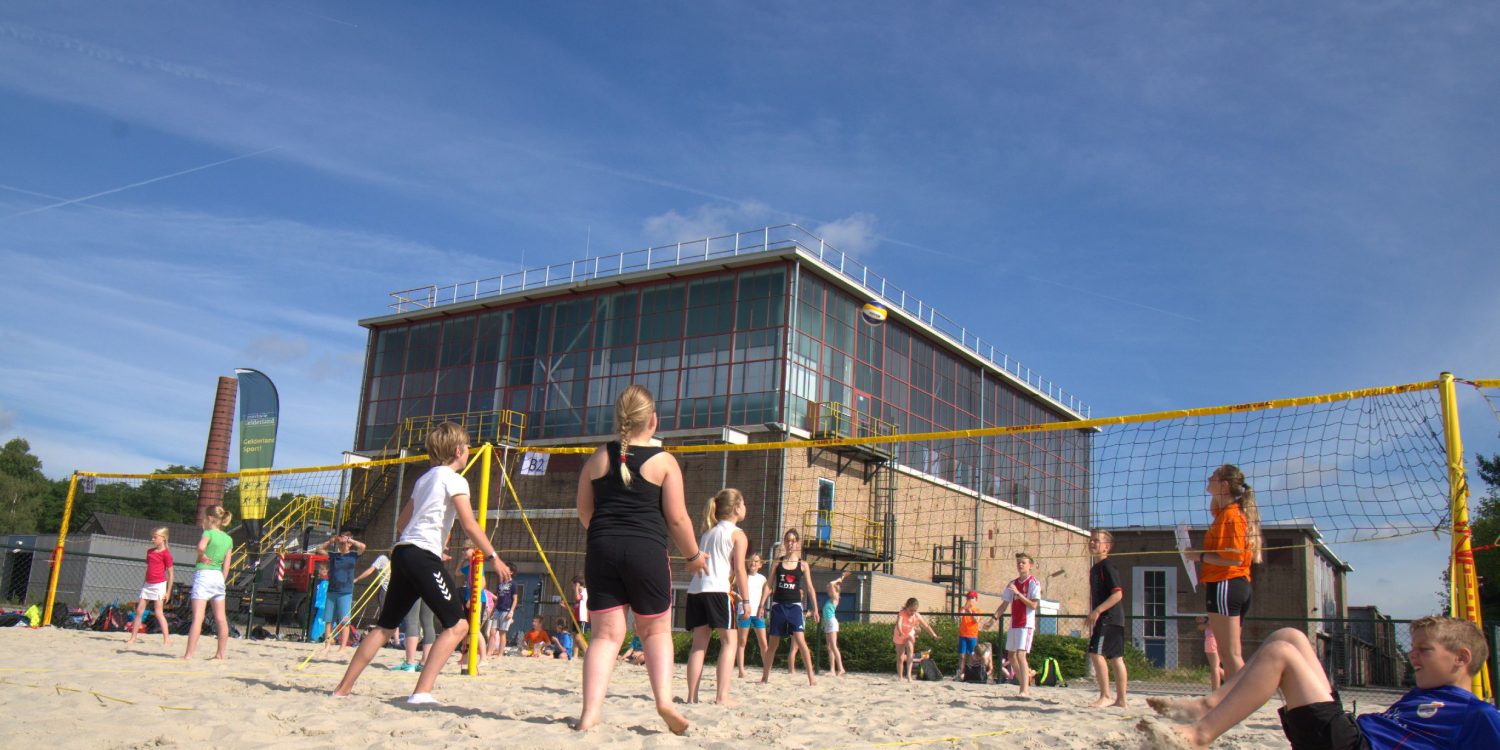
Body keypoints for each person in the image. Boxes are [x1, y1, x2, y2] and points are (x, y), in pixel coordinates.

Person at [332, 421, 513, 704]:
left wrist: (427, 545)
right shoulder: (455, 480)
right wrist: (494, 556)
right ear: (458, 451)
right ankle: (421, 692)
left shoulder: (425, 478)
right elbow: (469, 524)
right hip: (420, 555)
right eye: (467, 448)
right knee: (459, 626)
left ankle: (341, 689)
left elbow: (403, 523)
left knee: (385, 627)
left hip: (403, 553)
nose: (468, 453)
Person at [1138, 617, 1500, 750]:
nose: (1412, 657)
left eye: (1424, 650)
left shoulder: (1477, 713)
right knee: (1290, 635)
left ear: (1461, 659)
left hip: (1353, 746)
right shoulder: (1423, 695)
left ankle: (1201, 736)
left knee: (1281, 652)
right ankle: (1208, 705)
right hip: (1349, 734)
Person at [574, 384, 709, 734]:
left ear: (620, 418)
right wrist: (693, 556)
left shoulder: (597, 458)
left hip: (601, 549)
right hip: (645, 550)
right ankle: (664, 702)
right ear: (652, 420)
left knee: (604, 637)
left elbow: (584, 511)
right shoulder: (663, 461)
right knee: (655, 630)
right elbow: (678, 519)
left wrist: (608, 534)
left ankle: (589, 714)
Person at [1183, 464, 1262, 681]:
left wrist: (1198, 556)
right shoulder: (1223, 512)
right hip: (1231, 584)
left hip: (1227, 583)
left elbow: (1234, 557)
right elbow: (1214, 505)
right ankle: (1233, 699)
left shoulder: (1232, 517)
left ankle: (1238, 701)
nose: (1208, 479)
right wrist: (1219, 490)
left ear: (1225, 485)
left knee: (1230, 654)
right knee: (1229, 653)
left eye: (1213, 477)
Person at [685, 488, 749, 704]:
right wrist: (747, 601)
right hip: (718, 592)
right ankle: (722, 697)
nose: (745, 508)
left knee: (698, 645)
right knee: (729, 642)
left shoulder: (707, 533)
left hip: (696, 590)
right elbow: (740, 570)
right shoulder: (737, 534)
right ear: (737, 507)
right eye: (744, 503)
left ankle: (691, 697)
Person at [759, 528, 819, 686]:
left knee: (801, 641)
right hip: (778, 606)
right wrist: (761, 605)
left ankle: (811, 678)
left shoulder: (803, 565)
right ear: (784, 542)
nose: (790, 543)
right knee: (773, 644)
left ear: (797, 543)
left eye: (793, 541)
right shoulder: (777, 563)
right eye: (787, 540)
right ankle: (764, 678)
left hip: (794, 607)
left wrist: (816, 609)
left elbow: (811, 588)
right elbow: (768, 586)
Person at [984, 551, 1041, 696]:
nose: (1020, 565)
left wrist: (1019, 594)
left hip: (1026, 624)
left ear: (1030, 566)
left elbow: (1033, 605)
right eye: (1019, 563)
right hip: (1014, 624)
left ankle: (1024, 689)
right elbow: (1004, 605)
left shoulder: (1034, 583)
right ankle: (1024, 681)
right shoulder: (1013, 583)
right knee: (1011, 656)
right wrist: (992, 619)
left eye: (1023, 563)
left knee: (1021, 655)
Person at [181, 506, 233, 660]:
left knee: (198, 617)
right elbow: (227, 564)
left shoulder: (208, 533)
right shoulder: (228, 539)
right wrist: (222, 580)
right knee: (221, 618)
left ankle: (189, 655)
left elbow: (200, 547)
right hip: (218, 576)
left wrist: (202, 555)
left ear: (210, 518)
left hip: (204, 573)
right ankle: (220, 654)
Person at [1085, 529, 1128, 708]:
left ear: (1106, 547)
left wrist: (1097, 611)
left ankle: (1105, 696)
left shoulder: (1107, 567)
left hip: (1109, 617)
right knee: (1116, 657)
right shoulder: (1095, 568)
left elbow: (1117, 595)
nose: (1092, 543)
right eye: (1091, 540)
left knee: (1096, 653)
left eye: (1097, 541)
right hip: (1113, 618)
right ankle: (1121, 700)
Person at [316, 529, 367, 651]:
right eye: (340, 544)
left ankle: (342, 647)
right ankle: (327, 645)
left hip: (345, 592)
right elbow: (319, 549)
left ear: (349, 544)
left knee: (344, 621)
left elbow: (363, 547)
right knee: (329, 620)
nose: (341, 545)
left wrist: (349, 539)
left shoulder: (353, 555)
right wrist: (331, 541)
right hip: (332, 591)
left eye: (343, 543)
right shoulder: (334, 556)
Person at [126, 527, 173, 646]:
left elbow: (171, 574)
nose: (152, 539)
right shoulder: (150, 552)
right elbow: (149, 569)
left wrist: (168, 592)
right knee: (139, 611)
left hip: (159, 585)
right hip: (147, 584)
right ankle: (133, 637)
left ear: (163, 538)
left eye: (155, 537)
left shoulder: (166, 554)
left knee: (158, 612)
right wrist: (144, 584)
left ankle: (167, 639)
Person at [735, 551, 769, 679]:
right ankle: (741, 670)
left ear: (760, 564)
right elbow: (731, 587)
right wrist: (739, 597)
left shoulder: (762, 578)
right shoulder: (743, 576)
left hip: (757, 613)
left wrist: (762, 605)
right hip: (744, 612)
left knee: (763, 642)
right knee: (742, 641)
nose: (753, 563)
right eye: (751, 560)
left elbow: (768, 590)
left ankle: (766, 668)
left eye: (756, 561)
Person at [892, 597, 939, 682]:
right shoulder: (902, 613)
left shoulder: (917, 615)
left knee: (910, 649)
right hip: (899, 634)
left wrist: (933, 634)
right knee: (900, 657)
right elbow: (899, 623)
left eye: (914, 611)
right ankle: (900, 676)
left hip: (909, 633)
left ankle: (909, 676)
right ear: (907, 607)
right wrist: (900, 631)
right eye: (911, 610)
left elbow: (926, 626)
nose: (912, 613)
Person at [822, 571, 850, 677]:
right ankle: (832, 670)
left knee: (833, 646)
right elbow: (829, 585)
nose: (828, 591)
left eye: (830, 590)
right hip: (827, 623)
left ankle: (841, 668)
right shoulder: (830, 599)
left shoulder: (835, 598)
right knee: (829, 647)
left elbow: (830, 583)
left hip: (832, 623)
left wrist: (839, 580)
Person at [955, 590, 982, 680]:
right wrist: (965, 608)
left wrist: (970, 611)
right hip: (963, 635)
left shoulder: (978, 610)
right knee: (962, 656)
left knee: (971, 655)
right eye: (969, 597)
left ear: (976, 599)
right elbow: (960, 615)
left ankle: (969, 673)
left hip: (972, 635)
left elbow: (976, 620)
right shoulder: (963, 608)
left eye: (972, 598)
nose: (970, 599)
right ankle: (961, 673)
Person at [489, 578, 518, 658]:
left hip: (506, 610)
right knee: (492, 632)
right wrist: (492, 610)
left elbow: (515, 599)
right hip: (497, 610)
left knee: (502, 633)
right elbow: (498, 599)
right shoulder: (500, 584)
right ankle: (489, 652)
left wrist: (511, 611)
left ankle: (500, 654)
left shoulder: (513, 584)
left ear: (511, 572)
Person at [1198, 616, 1223, 691]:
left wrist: (1206, 622)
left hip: (1212, 640)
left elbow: (1203, 626)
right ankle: (1234, 682)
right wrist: (1206, 620)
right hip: (1220, 640)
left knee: (1215, 667)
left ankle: (1216, 691)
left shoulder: (1216, 617)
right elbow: (1199, 623)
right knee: (1217, 667)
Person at [572, 575, 590, 655]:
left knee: (578, 637)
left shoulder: (585, 592)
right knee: (574, 637)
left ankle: (587, 653)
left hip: (582, 619)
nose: (572, 587)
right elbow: (575, 609)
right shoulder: (579, 593)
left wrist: (576, 587)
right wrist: (566, 606)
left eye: (573, 585)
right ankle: (575, 655)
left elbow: (577, 598)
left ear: (577, 584)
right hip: (576, 618)